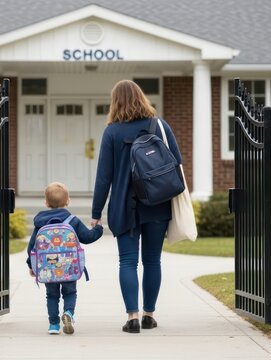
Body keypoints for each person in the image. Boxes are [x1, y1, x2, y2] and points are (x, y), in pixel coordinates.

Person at [90, 80, 183, 334]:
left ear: (115, 102)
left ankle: (132, 317)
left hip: (123, 205)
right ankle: (149, 315)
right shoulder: (160, 126)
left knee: (127, 262)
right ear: (142, 98)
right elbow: (177, 162)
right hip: (156, 201)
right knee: (153, 261)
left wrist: (96, 213)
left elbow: (103, 177)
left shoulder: (112, 132)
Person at [26, 182, 104, 335]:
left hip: (48, 269)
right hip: (69, 267)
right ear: (68, 201)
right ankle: (68, 313)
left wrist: (32, 266)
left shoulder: (39, 223)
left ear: (46, 202)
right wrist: (98, 229)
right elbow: (87, 237)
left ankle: (54, 325)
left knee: (52, 295)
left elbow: (32, 247)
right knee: (69, 292)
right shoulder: (72, 220)